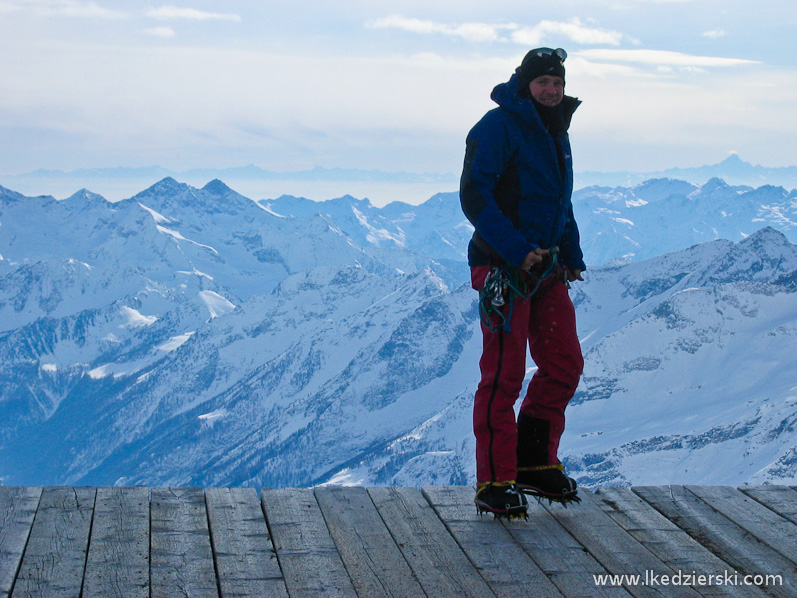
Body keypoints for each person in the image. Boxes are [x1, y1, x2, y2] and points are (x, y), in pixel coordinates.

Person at [459, 47, 586, 518]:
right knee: (505, 374)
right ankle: (495, 479)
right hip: (503, 269)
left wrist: (570, 254)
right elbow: (474, 195)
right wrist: (516, 250)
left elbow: (560, 201)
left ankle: (533, 465)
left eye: (557, 82)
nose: (551, 90)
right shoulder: (497, 127)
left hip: (547, 267)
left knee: (563, 363)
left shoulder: (555, 129)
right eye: (542, 83)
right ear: (525, 84)